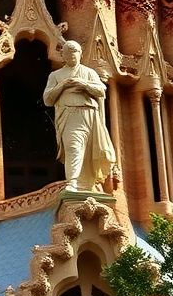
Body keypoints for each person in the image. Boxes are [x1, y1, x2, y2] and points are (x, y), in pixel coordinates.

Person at [42, 40, 117, 192]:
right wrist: (63, 85)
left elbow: (101, 91)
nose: (72, 55)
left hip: (88, 114)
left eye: (75, 52)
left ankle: (88, 186)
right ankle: (72, 182)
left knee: (89, 151)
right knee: (73, 146)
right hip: (69, 115)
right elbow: (47, 100)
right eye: (68, 52)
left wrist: (83, 84)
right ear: (63, 55)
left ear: (80, 54)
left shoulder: (89, 73)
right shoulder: (56, 75)